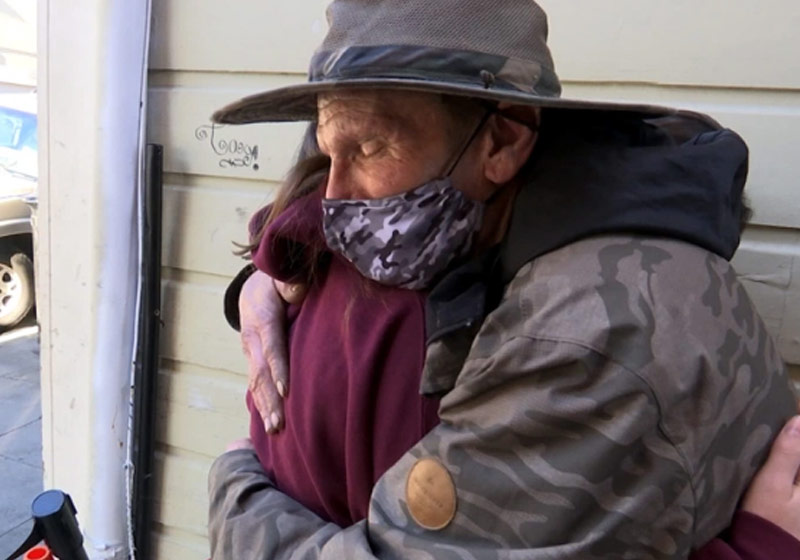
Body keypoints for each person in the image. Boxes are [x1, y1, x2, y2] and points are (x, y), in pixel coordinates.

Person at [207, 0, 798, 557]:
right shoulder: (483, 217)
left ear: (505, 139)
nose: (335, 199)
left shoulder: (586, 335)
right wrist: (264, 268)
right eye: (325, 148)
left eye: (368, 147)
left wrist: (238, 492)